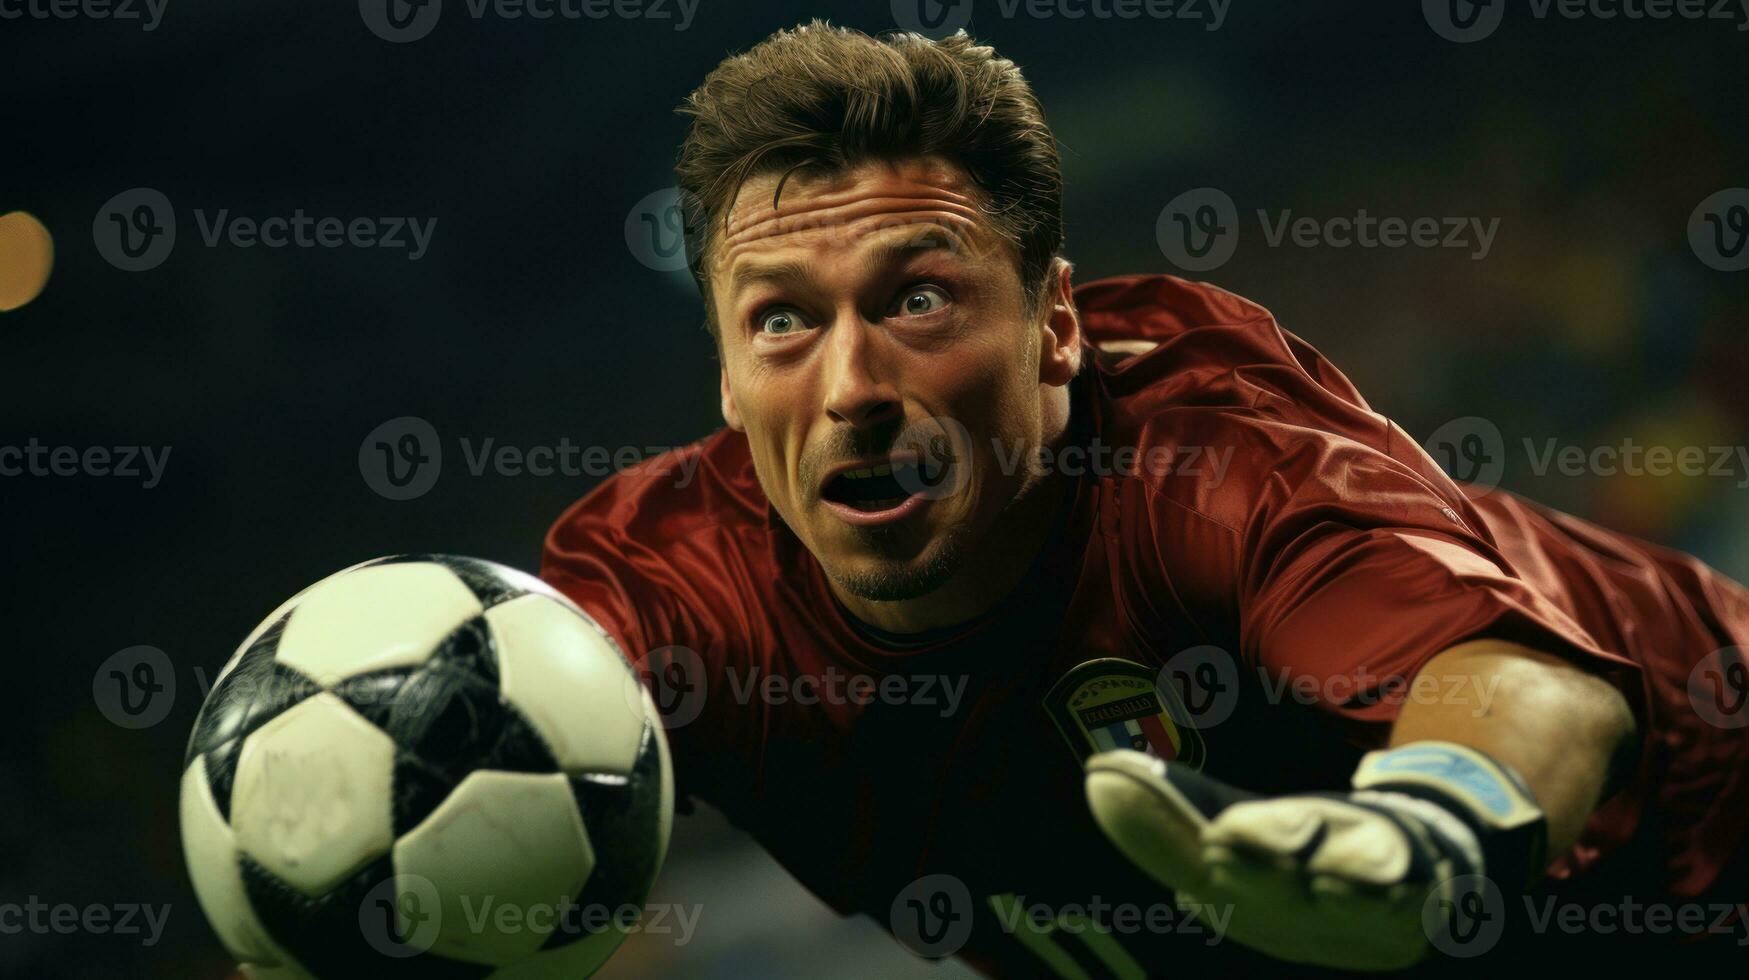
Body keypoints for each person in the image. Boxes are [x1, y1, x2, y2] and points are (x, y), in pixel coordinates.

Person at [541, 21, 1748, 974]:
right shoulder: (668, 588)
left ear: (1057, 322)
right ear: (728, 375)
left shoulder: (1208, 457)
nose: (850, 384)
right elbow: (447, 712)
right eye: (785, 319)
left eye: (917, 299)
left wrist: (1429, 832)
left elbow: (1535, 687)